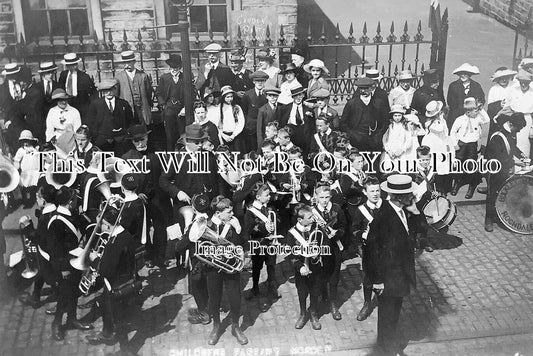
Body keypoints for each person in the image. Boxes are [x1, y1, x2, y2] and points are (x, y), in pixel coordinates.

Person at [366, 174, 424, 355]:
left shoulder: (402, 210)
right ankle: (387, 348)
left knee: (393, 313)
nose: (412, 196)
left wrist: (415, 212)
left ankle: (388, 344)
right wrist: (376, 280)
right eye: (409, 194)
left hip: (399, 275)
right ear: (400, 197)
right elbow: (372, 252)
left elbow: (421, 231)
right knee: (387, 315)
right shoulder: (384, 217)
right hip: (387, 277)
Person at [47, 186, 93, 340]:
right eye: (74, 199)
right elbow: (54, 249)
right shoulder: (56, 221)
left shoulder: (71, 213)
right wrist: (63, 269)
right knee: (64, 295)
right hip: (65, 265)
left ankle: (72, 319)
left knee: (73, 292)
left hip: (75, 261)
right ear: (70, 201)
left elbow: (84, 227)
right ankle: (56, 323)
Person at [86, 205, 135, 345]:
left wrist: (95, 259)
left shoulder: (114, 242)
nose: (99, 226)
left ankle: (111, 337)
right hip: (127, 277)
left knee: (107, 307)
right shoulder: (126, 234)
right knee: (107, 305)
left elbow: (106, 271)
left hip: (115, 283)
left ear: (107, 225)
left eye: (101, 223)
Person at [204, 196, 248, 345]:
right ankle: (216, 326)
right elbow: (202, 245)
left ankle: (235, 326)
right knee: (214, 298)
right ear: (218, 214)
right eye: (228, 212)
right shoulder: (208, 225)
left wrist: (238, 229)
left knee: (235, 298)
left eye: (231, 211)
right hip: (213, 268)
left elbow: (241, 246)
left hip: (230, 267)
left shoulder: (234, 224)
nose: (232, 214)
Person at [484, 113, 527, 232]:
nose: (517, 132)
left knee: (504, 193)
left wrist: (521, 155)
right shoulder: (497, 136)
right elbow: (496, 157)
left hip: (504, 169)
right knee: (493, 194)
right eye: (517, 129)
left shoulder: (510, 133)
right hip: (495, 171)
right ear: (511, 124)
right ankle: (488, 219)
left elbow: (512, 147)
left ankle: (499, 215)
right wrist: (514, 163)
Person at [312, 184, 347, 321]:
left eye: (327, 197)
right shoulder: (313, 212)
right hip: (319, 250)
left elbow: (344, 226)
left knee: (334, 277)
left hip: (334, 248)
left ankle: (333, 304)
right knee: (319, 276)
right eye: (321, 197)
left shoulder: (337, 209)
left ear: (331, 196)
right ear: (316, 197)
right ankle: (322, 299)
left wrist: (337, 233)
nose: (324, 200)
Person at [286, 204, 324, 330]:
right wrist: (299, 266)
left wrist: (318, 253)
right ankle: (303, 313)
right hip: (301, 269)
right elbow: (290, 254)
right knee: (302, 292)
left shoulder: (317, 229)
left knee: (315, 291)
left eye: (313, 216)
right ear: (300, 220)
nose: (313, 219)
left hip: (315, 266)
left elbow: (325, 244)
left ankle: (313, 313)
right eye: (309, 217)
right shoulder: (292, 233)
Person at [242, 183, 280, 308]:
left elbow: (277, 220)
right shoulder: (250, 212)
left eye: (269, 195)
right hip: (258, 243)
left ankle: (272, 285)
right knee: (257, 267)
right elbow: (248, 230)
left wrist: (275, 224)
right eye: (267, 195)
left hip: (271, 243)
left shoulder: (270, 208)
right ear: (258, 197)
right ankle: (255, 287)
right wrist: (264, 227)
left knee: (271, 265)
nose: (269, 197)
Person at [352, 176, 382, 321]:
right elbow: (354, 230)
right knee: (368, 277)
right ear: (365, 192)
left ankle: (384, 300)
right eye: (372, 191)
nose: (375, 194)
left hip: (384, 248)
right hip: (368, 248)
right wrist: (364, 234)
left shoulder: (386, 207)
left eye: (377, 190)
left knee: (385, 274)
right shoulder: (361, 210)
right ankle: (367, 303)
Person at [449, 97, 489, 198]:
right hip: (462, 145)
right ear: (468, 111)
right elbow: (452, 132)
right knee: (459, 165)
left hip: (472, 145)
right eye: (475, 111)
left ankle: (472, 186)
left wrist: (480, 109)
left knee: (471, 166)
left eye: (477, 111)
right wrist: (455, 144)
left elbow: (487, 119)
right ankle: (457, 183)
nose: (477, 113)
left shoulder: (478, 119)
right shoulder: (460, 120)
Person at [86, 79, 134, 156]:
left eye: (110, 90)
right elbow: (91, 123)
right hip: (102, 142)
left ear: (115, 90)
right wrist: (97, 138)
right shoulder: (96, 105)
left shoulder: (123, 104)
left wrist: (124, 135)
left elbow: (130, 120)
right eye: (105, 91)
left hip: (120, 141)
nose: (108, 93)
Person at [341, 77, 389, 152]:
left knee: (375, 162)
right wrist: (352, 135)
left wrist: (379, 135)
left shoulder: (379, 103)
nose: (363, 91)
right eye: (361, 88)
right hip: (357, 141)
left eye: (366, 88)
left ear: (371, 88)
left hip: (374, 141)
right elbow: (343, 123)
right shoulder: (352, 103)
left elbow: (385, 122)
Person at [421, 101, 454, 195]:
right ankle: (436, 189)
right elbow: (440, 129)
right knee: (436, 167)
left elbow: (445, 132)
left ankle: (444, 190)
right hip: (434, 145)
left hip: (442, 145)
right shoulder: (430, 123)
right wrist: (442, 117)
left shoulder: (441, 121)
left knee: (445, 167)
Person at [157, 54, 187, 150]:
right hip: (169, 109)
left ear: (180, 67)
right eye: (172, 67)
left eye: (176, 67)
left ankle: (183, 155)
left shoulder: (185, 77)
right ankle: (171, 156)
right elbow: (158, 93)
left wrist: (185, 108)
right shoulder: (164, 78)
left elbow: (191, 93)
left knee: (182, 134)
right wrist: (163, 105)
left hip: (181, 109)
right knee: (170, 136)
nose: (174, 69)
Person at [115, 50, 153, 126]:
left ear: (134, 62)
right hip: (127, 110)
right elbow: (117, 95)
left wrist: (146, 105)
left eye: (129, 63)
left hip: (141, 109)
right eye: (124, 63)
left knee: (143, 130)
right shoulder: (119, 77)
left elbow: (148, 93)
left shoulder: (143, 76)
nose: (126, 65)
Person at [502, 70, 533, 160]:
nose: (523, 85)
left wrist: (532, 128)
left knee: (524, 144)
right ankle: (511, 166)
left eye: (526, 83)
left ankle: (523, 167)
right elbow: (506, 105)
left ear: (530, 82)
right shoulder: (513, 90)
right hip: (513, 118)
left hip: (527, 120)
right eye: (521, 83)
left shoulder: (532, 93)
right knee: (511, 143)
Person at [58, 53, 96, 120]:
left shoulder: (84, 77)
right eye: (72, 65)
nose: (75, 67)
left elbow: (92, 92)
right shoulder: (63, 75)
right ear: (67, 66)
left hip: (80, 104)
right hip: (67, 103)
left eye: (76, 64)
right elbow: (60, 89)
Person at [447, 63, 485, 127]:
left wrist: (475, 107)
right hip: (456, 118)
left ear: (470, 74)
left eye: (465, 73)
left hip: (473, 118)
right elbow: (450, 102)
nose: (463, 75)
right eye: (461, 73)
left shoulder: (476, 86)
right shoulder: (453, 86)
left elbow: (481, 100)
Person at [279, 86, 314, 156]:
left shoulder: (308, 109)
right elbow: (281, 125)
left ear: (303, 95)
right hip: (291, 136)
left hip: (304, 136)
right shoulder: (285, 108)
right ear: (292, 97)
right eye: (295, 96)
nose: (298, 97)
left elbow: (312, 127)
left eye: (300, 95)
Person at [241, 71, 269, 153]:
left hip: (265, 127)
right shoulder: (248, 95)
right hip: (251, 129)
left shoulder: (268, 94)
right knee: (253, 151)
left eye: (262, 81)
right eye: (257, 81)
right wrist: (247, 124)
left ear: (265, 81)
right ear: (253, 82)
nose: (260, 83)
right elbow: (244, 112)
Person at [13, 130, 40, 208]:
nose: (25, 143)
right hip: (26, 171)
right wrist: (16, 168)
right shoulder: (21, 150)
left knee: (34, 186)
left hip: (35, 170)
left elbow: (39, 157)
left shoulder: (35, 149)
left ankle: (34, 199)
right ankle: (25, 201)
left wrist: (34, 151)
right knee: (25, 186)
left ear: (31, 141)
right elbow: (17, 160)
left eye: (27, 140)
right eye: (23, 141)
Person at [215, 86, 245, 152]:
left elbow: (241, 122)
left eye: (231, 96)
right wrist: (223, 135)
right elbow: (216, 124)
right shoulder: (219, 108)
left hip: (235, 136)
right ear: (223, 98)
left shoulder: (236, 107)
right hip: (224, 136)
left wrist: (234, 135)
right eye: (227, 97)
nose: (230, 99)